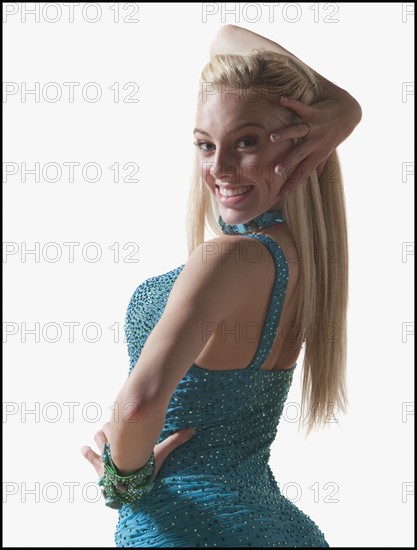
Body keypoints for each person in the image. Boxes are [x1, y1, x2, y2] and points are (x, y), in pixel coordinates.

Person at [81, 24, 362, 547]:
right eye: (205, 145)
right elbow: (225, 37)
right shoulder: (303, 261)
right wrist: (345, 109)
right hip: (276, 525)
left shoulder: (228, 257)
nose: (220, 167)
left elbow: (140, 404)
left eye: (247, 142)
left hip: (187, 524)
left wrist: (124, 479)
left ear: (303, 146)